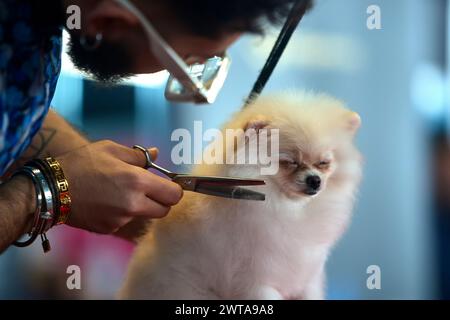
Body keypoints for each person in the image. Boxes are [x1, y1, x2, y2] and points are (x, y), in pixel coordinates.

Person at [0, 0, 312, 253]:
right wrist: (45, 193)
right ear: (108, 24)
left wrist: (175, 228)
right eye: (192, 62)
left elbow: (17, 117)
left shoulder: (35, 22)